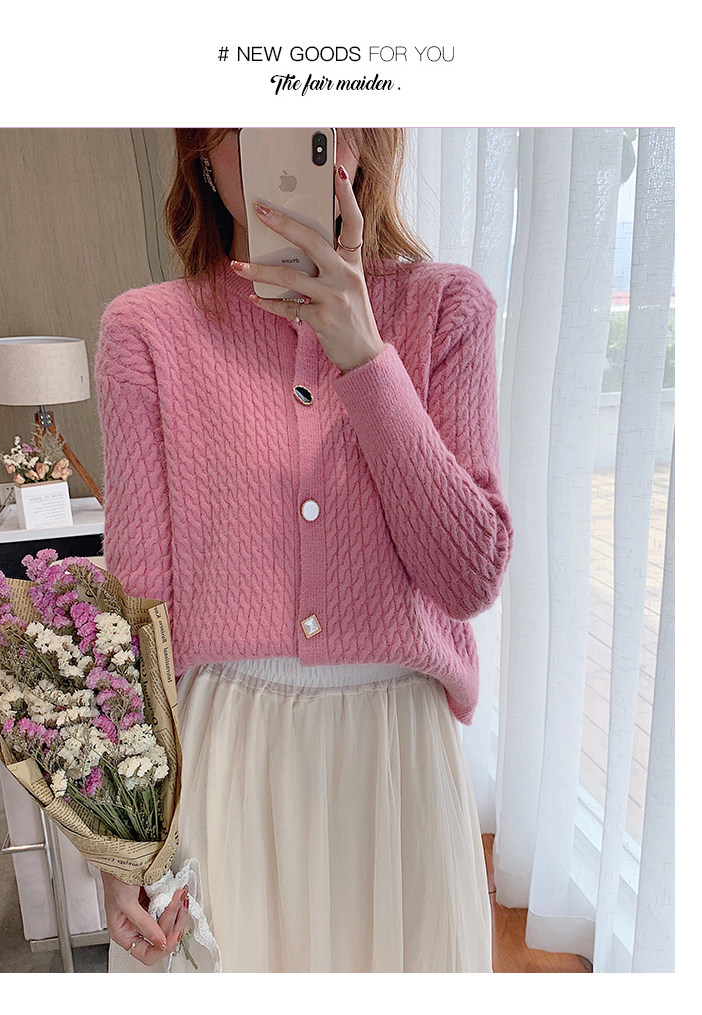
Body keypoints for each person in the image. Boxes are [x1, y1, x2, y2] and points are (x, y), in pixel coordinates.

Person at [94, 127, 514, 973]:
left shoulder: (446, 310)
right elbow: (135, 614)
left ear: (362, 144)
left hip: (395, 768)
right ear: (202, 154)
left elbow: (469, 576)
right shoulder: (146, 330)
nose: (289, 131)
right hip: (227, 759)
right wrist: (118, 838)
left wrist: (363, 350)